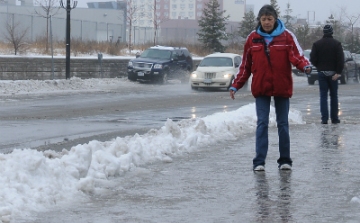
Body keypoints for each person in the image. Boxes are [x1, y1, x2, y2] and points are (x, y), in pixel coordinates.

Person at [229, 5, 311, 171]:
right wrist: (236, 85)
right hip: (261, 87)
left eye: (269, 19)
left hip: (282, 86)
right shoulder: (252, 38)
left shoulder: (287, 36)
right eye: (263, 19)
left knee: (283, 124)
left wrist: (305, 66)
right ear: (259, 20)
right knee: (262, 124)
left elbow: (297, 56)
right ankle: (259, 162)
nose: (266, 22)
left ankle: (285, 160)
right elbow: (245, 65)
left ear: (275, 19)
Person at [309, 25, 344, 124]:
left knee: (323, 96)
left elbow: (312, 58)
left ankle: (324, 119)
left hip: (322, 73)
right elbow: (340, 60)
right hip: (334, 74)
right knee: (334, 96)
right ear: (332, 32)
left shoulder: (317, 44)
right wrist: (338, 72)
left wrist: (319, 66)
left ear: (323, 32)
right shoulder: (337, 44)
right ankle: (335, 118)